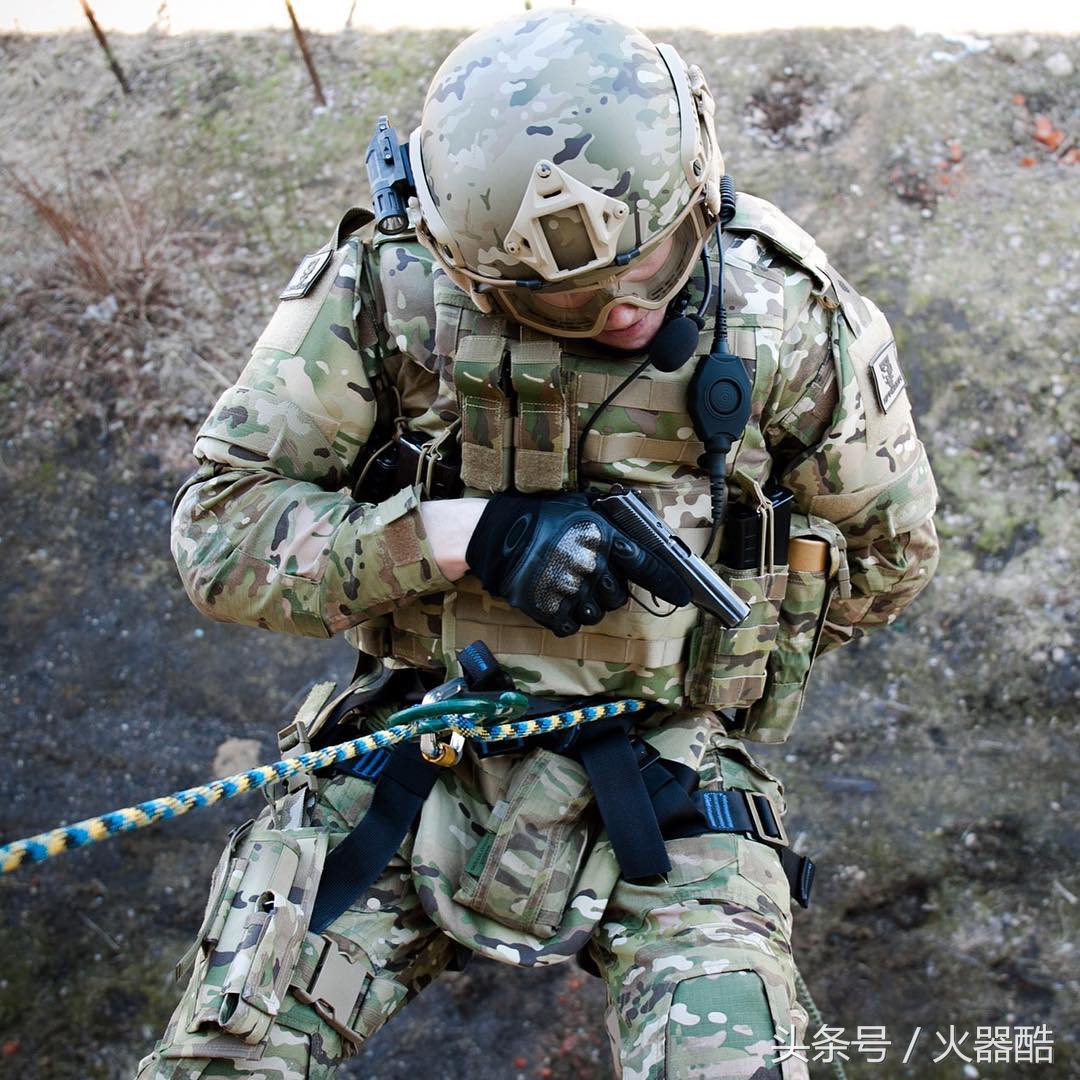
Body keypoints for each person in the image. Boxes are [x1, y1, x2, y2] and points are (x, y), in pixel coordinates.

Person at [140, 10, 938, 1079]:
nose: (621, 314)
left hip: (673, 770)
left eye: (650, 261)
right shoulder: (392, 290)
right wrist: (466, 537)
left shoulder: (784, 319)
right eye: (565, 296)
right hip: (413, 739)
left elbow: (888, 554)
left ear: (699, 186)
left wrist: (706, 659)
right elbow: (220, 532)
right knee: (226, 1057)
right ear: (471, 272)